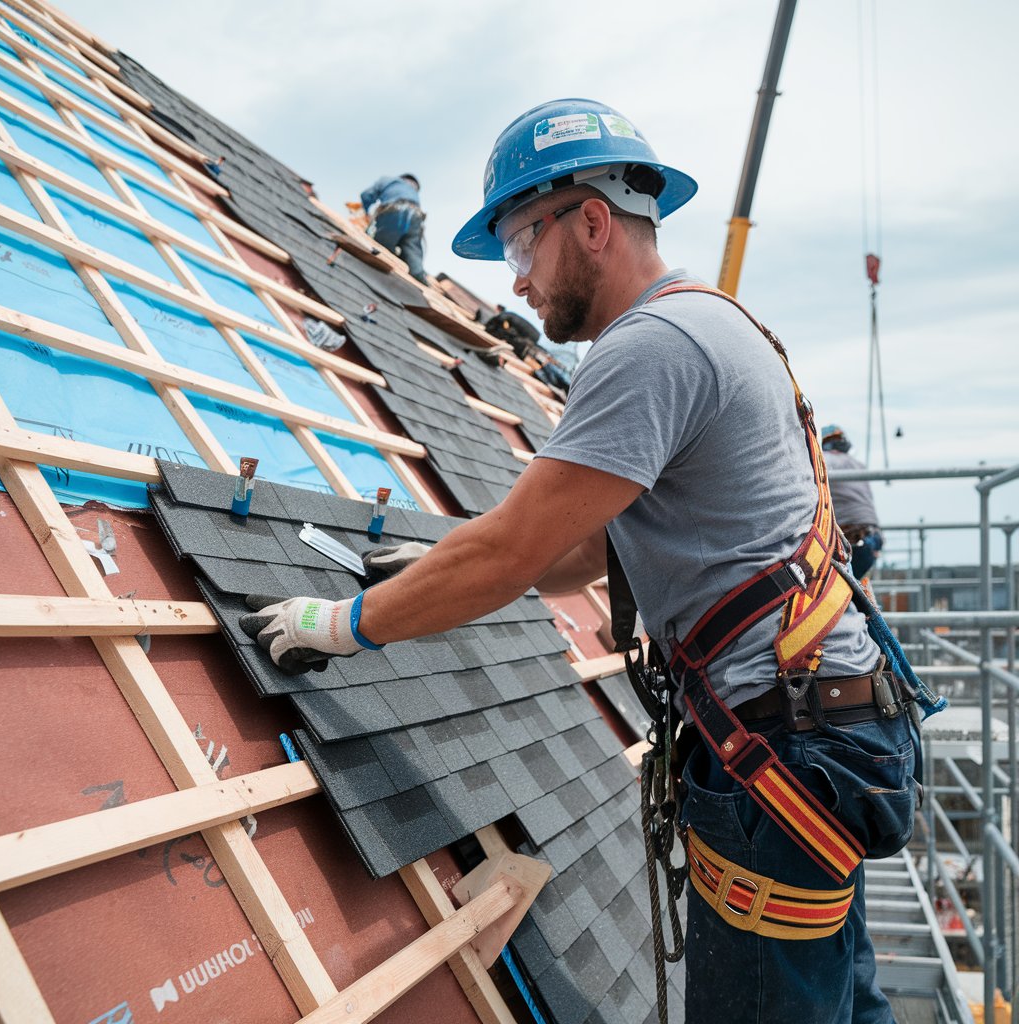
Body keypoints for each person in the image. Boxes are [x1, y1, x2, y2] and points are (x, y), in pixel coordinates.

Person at [243, 100, 926, 1023]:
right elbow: (574, 552)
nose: (516, 285)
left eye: (521, 247)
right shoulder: (714, 324)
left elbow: (513, 550)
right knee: (842, 1000)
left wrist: (339, 625)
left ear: (592, 223)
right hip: (822, 730)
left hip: (785, 754)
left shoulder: (649, 348)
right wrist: (446, 556)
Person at [822, 424, 884, 579]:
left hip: (849, 538)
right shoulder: (859, 466)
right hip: (873, 537)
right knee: (852, 590)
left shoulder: (823, 460)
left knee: (835, 593)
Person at [359, 173, 427, 284]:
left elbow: (366, 195)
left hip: (394, 210)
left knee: (379, 248)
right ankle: (419, 278)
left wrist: (366, 213)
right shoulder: (413, 192)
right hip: (416, 216)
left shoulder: (388, 180)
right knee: (413, 254)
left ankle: (376, 275)